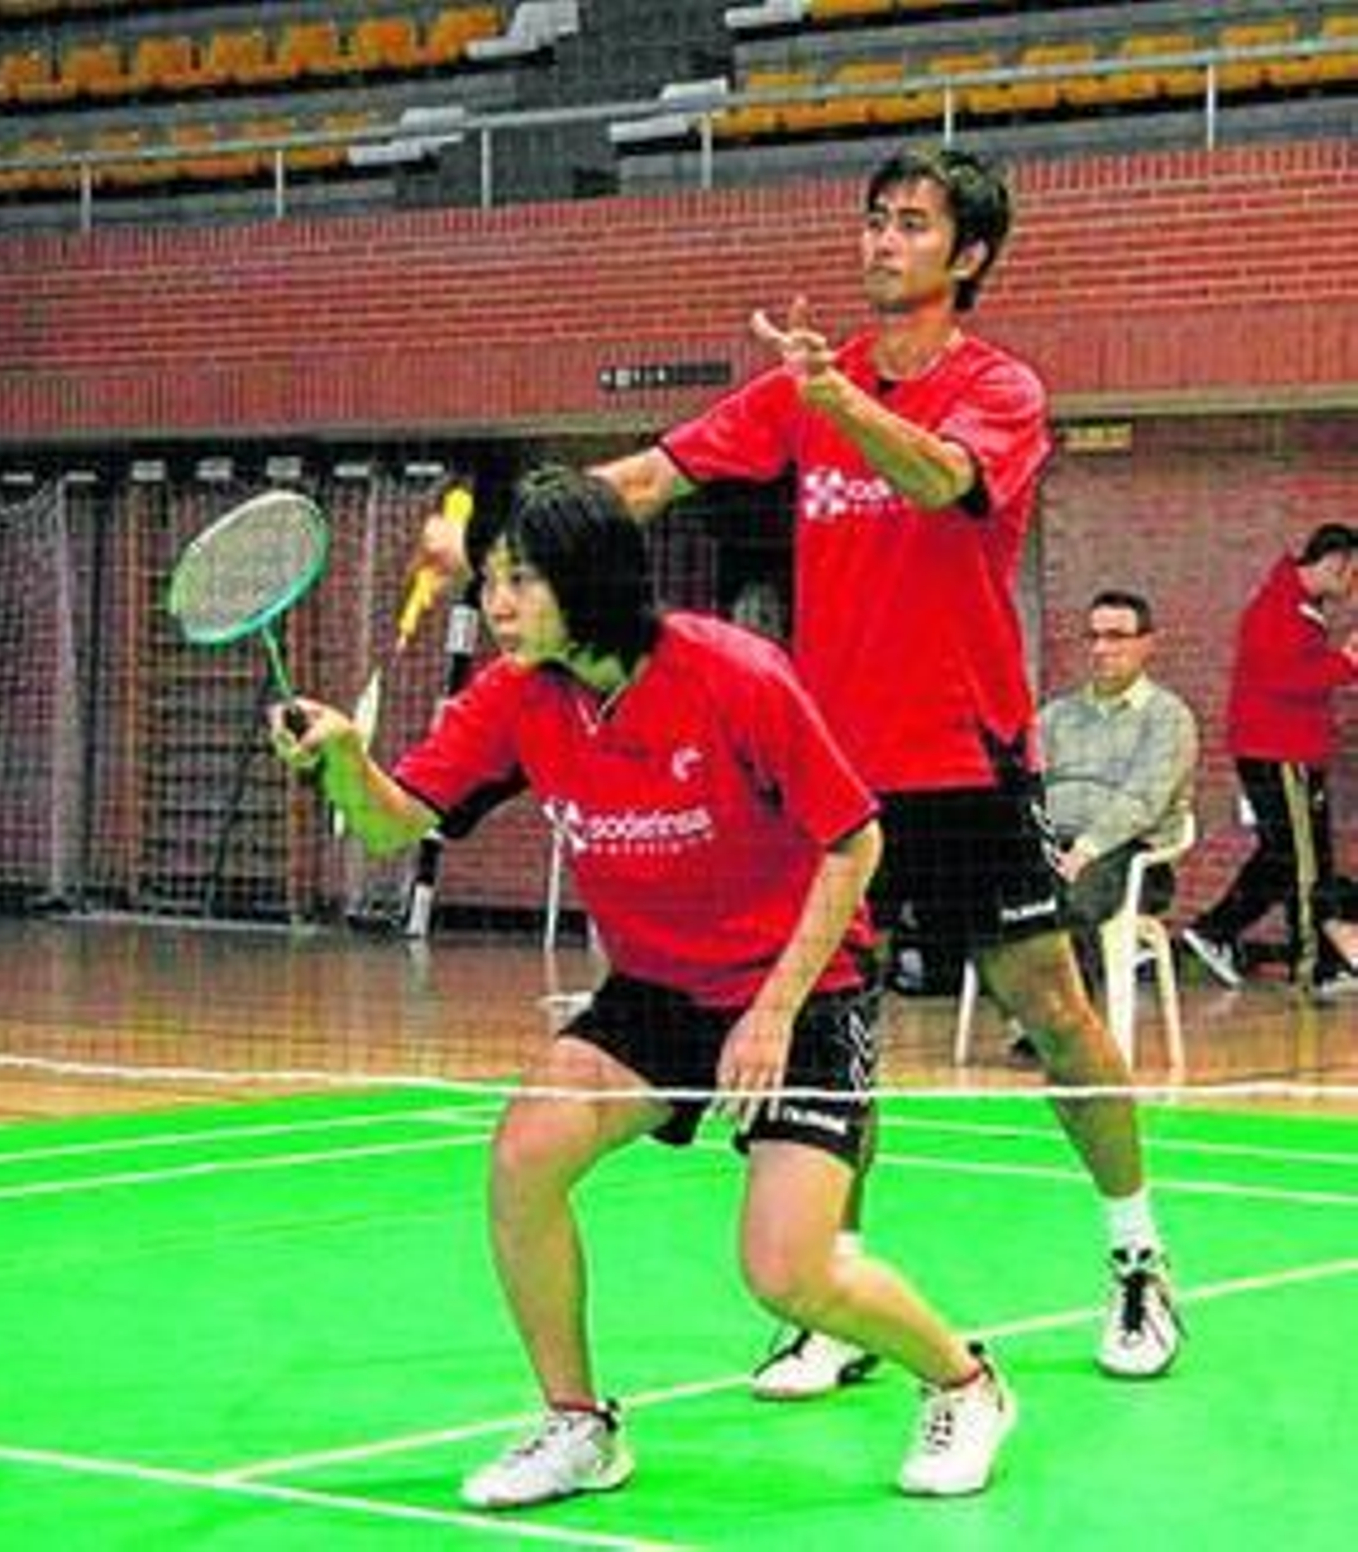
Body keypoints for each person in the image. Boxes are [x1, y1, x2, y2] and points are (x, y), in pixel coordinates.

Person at [417, 145, 1180, 1395]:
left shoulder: (1001, 389)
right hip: (834, 773)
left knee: (1053, 1007)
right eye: (874, 221)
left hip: (966, 759)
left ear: (968, 256)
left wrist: (833, 402)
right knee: (843, 1026)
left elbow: (943, 481)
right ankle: (834, 1290)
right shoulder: (800, 391)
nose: (881, 243)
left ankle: (1136, 1251)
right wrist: (509, 546)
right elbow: (651, 480)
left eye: (912, 225)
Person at [273, 467, 1016, 1509]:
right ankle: (577, 1424)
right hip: (659, 988)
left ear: (590, 578)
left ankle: (966, 1381)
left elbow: (855, 839)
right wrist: (345, 759)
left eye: (520, 581)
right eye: (490, 582)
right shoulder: (515, 698)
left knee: (786, 1271)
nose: (497, 605)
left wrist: (771, 1009)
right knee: (524, 1154)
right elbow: (399, 820)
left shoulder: (732, 674)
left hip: (801, 988)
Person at [1183, 523, 1358, 995]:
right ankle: (1313, 969)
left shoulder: (1297, 606)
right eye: (1352, 575)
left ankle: (1214, 930)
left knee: (1287, 858)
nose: (1351, 587)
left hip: (1288, 751)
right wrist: (1347, 663)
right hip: (1279, 752)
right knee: (1301, 864)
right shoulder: (1278, 608)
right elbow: (1287, 678)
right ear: (1335, 562)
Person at [1041, 590, 1199, 980]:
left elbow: (1144, 800)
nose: (1101, 648)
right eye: (1093, 637)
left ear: (1147, 644)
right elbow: (1027, 787)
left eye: (1115, 636)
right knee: (994, 893)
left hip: (1128, 855)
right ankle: (1038, 1019)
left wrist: (1086, 848)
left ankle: (1071, 1030)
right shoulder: (1055, 716)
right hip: (1054, 844)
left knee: (1068, 900)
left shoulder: (1168, 717)